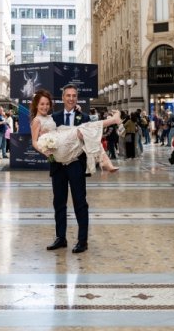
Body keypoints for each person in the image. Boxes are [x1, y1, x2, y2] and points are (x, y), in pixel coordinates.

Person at [31, 87, 118, 255]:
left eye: (74, 96)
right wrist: (44, 149)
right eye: (68, 96)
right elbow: (40, 136)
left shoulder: (84, 118)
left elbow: (92, 139)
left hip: (76, 165)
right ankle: (60, 238)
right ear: (62, 98)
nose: (71, 99)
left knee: (80, 202)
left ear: (77, 98)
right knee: (59, 203)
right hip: (58, 166)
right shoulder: (53, 117)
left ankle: (82, 240)